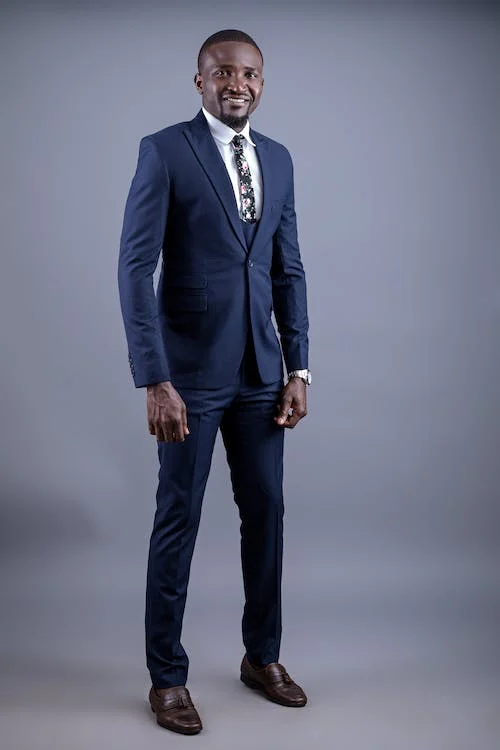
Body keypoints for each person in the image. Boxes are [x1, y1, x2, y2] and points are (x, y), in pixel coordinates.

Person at [118, 29, 310, 735]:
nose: (238, 84)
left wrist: (299, 368)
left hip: (262, 374)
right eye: (223, 72)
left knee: (267, 515)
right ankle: (167, 677)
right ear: (199, 80)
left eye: (250, 73)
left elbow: (288, 268)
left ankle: (262, 657)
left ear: (262, 83)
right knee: (180, 519)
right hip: (190, 378)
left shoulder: (279, 159)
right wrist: (154, 378)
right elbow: (135, 268)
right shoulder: (166, 151)